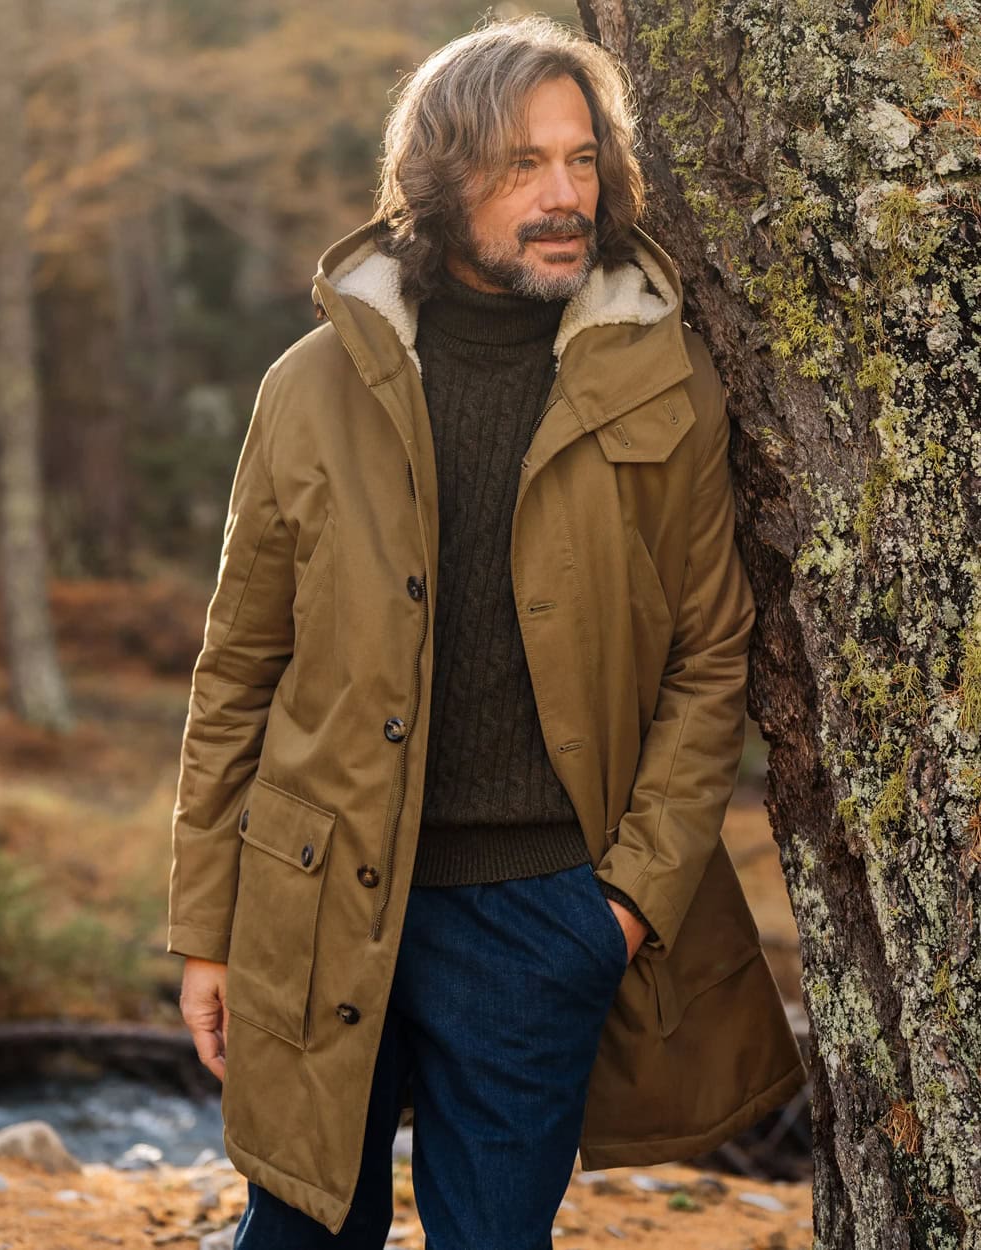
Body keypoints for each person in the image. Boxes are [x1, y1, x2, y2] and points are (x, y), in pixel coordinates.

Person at [168, 15, 806, 1250]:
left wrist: (622, 905)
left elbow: (708, 660)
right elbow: (237, 673)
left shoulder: (668, 379)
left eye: (581, 159)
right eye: (521, 164)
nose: (564, 195)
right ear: (438, 179)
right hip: (316, 899)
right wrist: (205, 930)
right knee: (295, 1235)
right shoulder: (308, 387)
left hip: (540, 917)